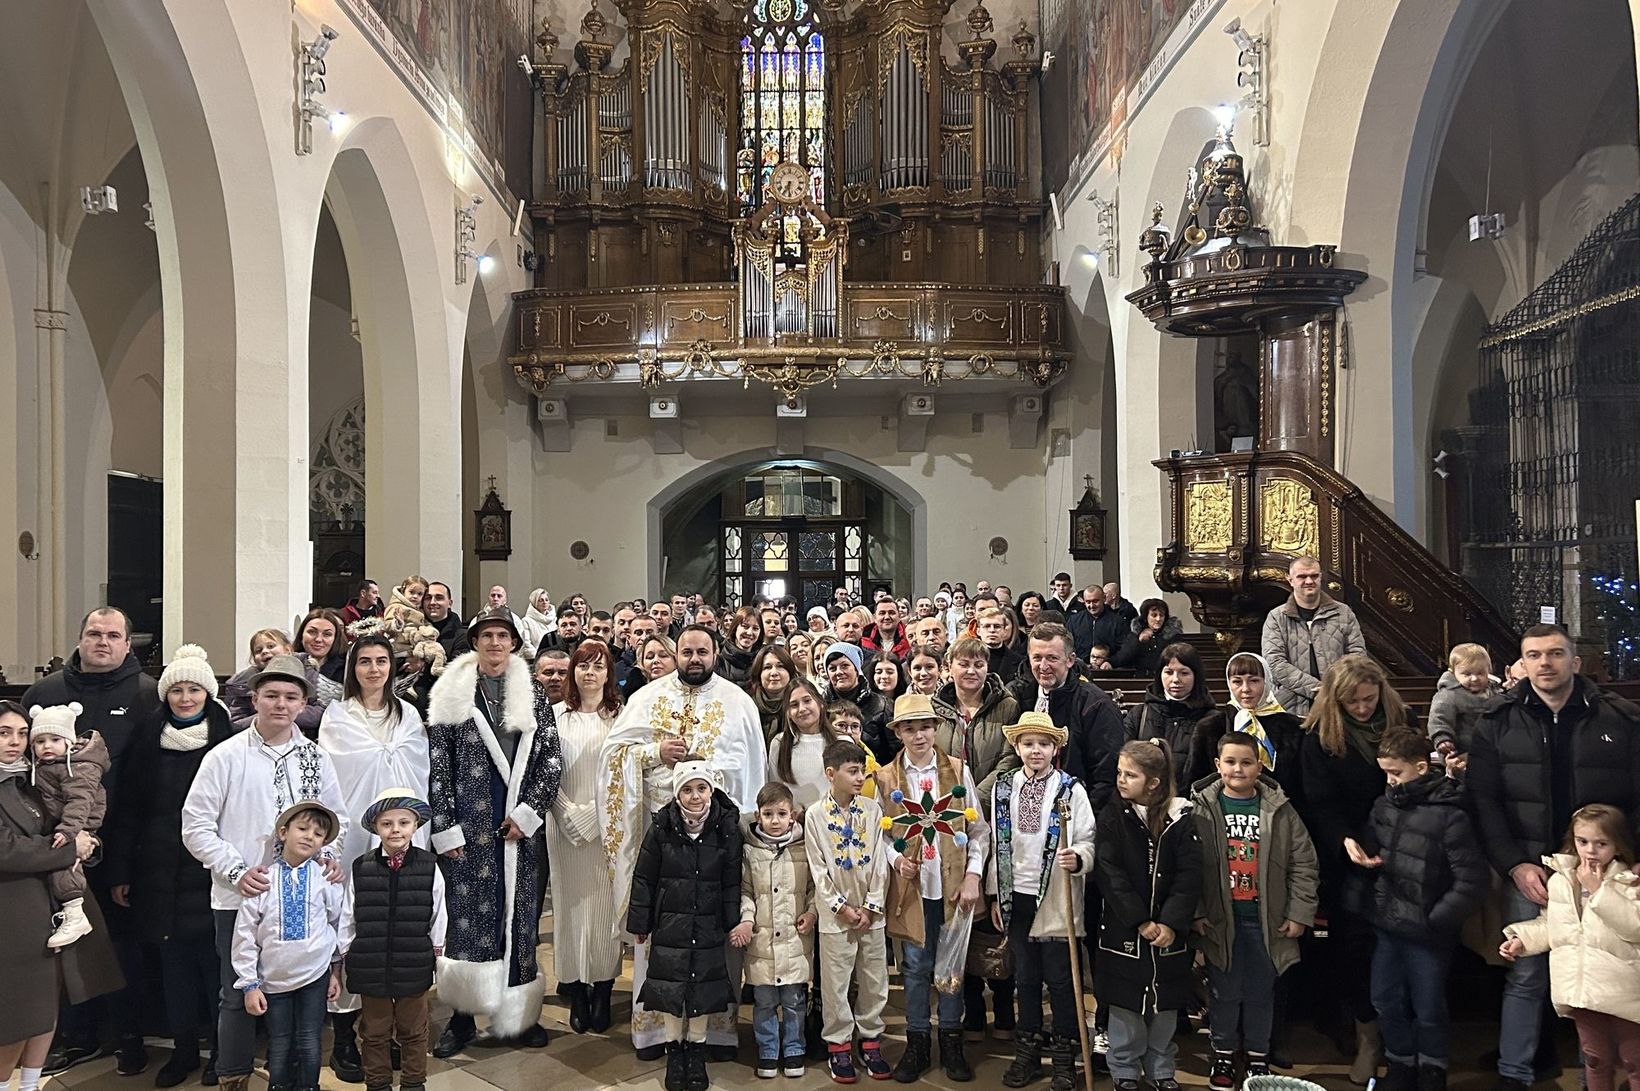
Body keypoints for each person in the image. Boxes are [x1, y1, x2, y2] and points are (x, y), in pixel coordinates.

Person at [1467, 624, 1640, 1091]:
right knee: (1525, 975)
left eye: (1556, 653)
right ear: (1522, 664)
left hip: (1603, 869)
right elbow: (1483, 800)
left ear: (1574, 661)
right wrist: (1513, 864)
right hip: (1531, 867)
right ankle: (1515, 1074)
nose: (1545, 663)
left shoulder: (1620, 718)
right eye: (1534, 655)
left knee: (1604, 975)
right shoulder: (1497, 720)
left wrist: (1634, 857)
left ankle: (1594, 1079)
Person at [181, 653, 350, 1091]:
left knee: (303, 991)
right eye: (271, 695)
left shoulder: (316, 758)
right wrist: (236, 870)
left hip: (304, 896)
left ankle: (296, 1077)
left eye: (291, 697)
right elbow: (195, 824)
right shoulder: (225, 756)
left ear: (303, 704)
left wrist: (329, 853)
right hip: (242, 894)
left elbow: (338, 818)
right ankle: (233, 1074)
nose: (281, 704)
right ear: (254, 699)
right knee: (237, 992)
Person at [604, 626, 768, 1061]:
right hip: (663, 842)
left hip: (717, 842)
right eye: (687, 651)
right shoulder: (646, 698)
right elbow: (613, 756)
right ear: (676, 653)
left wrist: (711, 774)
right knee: (665, 934)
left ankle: (712, 1035)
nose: (695, 658)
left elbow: (753, 770)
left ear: (715, 654)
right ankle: (658, 1032)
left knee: (716, 934)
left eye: (703, 651)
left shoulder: (739, 703)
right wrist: (654, 753)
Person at [23, 606, 161, 1075]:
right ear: (80, 638)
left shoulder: (147, 696)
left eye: (113, 635)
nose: (103, 642)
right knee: (61, 943)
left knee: (120, 946)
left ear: (127, 643)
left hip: (119, 845)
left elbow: (147, 782)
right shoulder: (44, 693)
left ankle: (127, 1035)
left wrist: (124, 856)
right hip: (54, 849)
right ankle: (76, 1036)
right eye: (94, 633)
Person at [426, 607, 563, 1056]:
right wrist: (446, 828)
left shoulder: (534, 693)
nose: (495, 643)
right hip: (469, 831)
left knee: (521, 922)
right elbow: (439, 767)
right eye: (487, 635)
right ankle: (463, 1018)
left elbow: (551, 760)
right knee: (469, 922)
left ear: (514, 643)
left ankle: (519, 1017)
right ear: (475, 642)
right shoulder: (451, 691)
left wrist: (528, 813)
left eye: (503, 635)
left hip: (519, 833)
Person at [103, 644, 240, 1088]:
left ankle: (220, 1051)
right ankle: (182, 1052)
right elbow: (128, 810)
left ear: (207, 693)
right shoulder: (148, 737)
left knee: (216, 968)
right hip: (157, 870)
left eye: (194, 690)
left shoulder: (226, 739)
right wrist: (121, 871)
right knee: (174, 968)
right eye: (177, 690)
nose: (185, 698)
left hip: (212, 869)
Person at [318, 633, 431, 1081]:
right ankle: (346, 1035)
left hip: (400, 836)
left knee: (397, 931)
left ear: (391, 666)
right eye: (364, 661)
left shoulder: (408, 715)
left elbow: (419, 771)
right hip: (353, 838)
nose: (373, 669)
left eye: (381, 661)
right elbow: (331, 780)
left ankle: (394, 1033)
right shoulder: (337, 716)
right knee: (357, 929)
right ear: (353, 668)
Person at [1351, 728, 1486, 1091]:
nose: (1390, 781)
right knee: (1384, 999)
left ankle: (1432, 1066)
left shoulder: (1450, 814)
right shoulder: (1383, 806)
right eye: (1385, 773)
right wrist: (1365, 860)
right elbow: (1374, 848)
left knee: (1428, 1006)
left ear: (1422, 767)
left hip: (1428, 931)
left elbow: (1471, 881)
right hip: (1388, 923)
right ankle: (1400, 1060)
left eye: (1396, 773)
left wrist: (1434, 919)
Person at [1299, 654, 1411, 1085]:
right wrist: (1345, 840)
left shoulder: (1402, 722)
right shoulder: (1319, 738)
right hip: (1348, 856)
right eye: (1353, 702)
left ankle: (1404, 1040)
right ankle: (1367, 1035)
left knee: (1404, 947)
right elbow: (1320, 802)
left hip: (1404, 850)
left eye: (1369, 699)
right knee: (1354, 949)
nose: (1363, 708)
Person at [1190, 731, 1318, 1091]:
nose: (1238, 769)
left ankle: (1259, 1056)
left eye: (1247, 762)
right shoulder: (1200, 809)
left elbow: (1304, 864)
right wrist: (1196, 910)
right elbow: (1187, 866)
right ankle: (1223, 1053)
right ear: (1217, 765)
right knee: (1224, 992)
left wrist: (1298, 913)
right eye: (1230, 762)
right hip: (1220, 921)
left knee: (1262, 993)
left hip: (1267, 922)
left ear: (1259, 767)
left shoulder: (1281, 810)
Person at [0, 700, 116, 1091]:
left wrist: (87, 843)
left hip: (50, 904)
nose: (15, 742)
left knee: (47, 1005)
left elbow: (74, 820)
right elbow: (6, 849)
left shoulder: (32, 776)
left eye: (21, 734)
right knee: (17, 1015)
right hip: (12, 910)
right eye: (4, 733)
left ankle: (30, 1085)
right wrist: (69, 850)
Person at [877, 693, 990, 1083]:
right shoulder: (886, 778)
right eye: (909, 728)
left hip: (952, 885)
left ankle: (952, 1041)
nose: (919, 735)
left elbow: (977, 830)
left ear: (936, 728)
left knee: (951, 968)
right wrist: (897, 860)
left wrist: (973, 875)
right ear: (899, 733)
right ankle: (918, 1041)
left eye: (925, 727)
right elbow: (882, 834)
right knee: (915, 966)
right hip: (913, 888)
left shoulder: (957, 771)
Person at [989, 712, 1095, 1091]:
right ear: (1017, 747)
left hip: (1056, 897)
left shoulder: (1070, 790)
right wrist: (995, 894)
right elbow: (998, 843)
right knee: (1026, 978)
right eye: (1029, 743)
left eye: (1044, 744)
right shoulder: (1003, 788)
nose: (1036, 750)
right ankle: (1028, 1053)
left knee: (1062, 980)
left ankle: (1064, 1056)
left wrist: (1078, 857)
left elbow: (1087, 837)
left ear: (1055, 748)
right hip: (1016, 894)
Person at [1501, 804, 1640, 1091]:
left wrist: (1599, 890)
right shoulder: (1561, 880)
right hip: (1581, 990)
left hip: (1625, 992)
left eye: (1601, 843)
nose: (1590, 851)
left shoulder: (1628, 881)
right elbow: (1552, 925)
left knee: (1634, 1062)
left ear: (1618, 844)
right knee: (1595, 1060)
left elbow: (1634, 927)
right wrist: (1521, 940)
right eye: (1583, 841)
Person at [627, 763, 744, 1091]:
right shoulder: (662, 827)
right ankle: (674, 1051)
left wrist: (730, 920)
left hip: (708, 923)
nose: (695, 796)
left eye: (701, 788)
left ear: (711, 790)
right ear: (677, 793)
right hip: (671, 923)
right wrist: (640, 921)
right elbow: (644, 877)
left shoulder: (725, 827)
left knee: (703, 989)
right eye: (688, 789)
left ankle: (696, 1051)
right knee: (672, 988)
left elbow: (732, 880)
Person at [1095, 739, 1201, 1091]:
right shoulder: (1113, 816)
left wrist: (1170, 922)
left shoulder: (1181, 819)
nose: (1121, 780)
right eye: (1119, 773)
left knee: (1164, 1003)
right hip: (1125, 929)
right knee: (1126, 1003)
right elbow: (1110, 873)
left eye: (1130, 775)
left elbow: (1189, 876)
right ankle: (1124, 1068)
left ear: (1153, 783)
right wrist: (1139, 920)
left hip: (1169, 933)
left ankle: (1160, 1066)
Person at [231, 802, 351, 1091]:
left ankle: (309, 1086)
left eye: (318, 834)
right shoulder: (263, 879)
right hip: (273, 980)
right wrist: (249, 984)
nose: (309, 836)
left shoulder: (325, 879)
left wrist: (335, 971)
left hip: (315, 976)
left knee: (310, 1040)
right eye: (303, 828)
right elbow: (245, 935)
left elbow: (337, 924)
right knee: (280, 1041)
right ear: (284, 833)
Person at [344, 790, 446, 1091]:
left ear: (415, 826)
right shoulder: (361, 868)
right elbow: (348, 915)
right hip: (371, 962)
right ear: (376, 827)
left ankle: (414, 1083)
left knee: (413, 1029)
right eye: (387, 824)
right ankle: (377, 1083)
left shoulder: (429, 865)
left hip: (413, 960)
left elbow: (439, 913)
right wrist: (346, 953)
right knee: (374, 1031)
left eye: (404, 822)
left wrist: (436, 955)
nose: (396, 830)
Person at [547, 639, 625, 1035]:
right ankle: (576, 990)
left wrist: (596, 816)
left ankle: (603, 990)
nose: (589, 673)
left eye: (598, 666)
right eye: (583, 665)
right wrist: (566, 813)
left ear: (609, 673)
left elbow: (626, 775)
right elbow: (543, 772)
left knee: (606, 911)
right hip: (561, 827)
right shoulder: (554, 717)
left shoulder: (621, 718)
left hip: (609, 828)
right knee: (570, 909)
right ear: (572, 672)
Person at [804, 739, 892, 1083]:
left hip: (871, 914)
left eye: (863, 772)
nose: (859, 778)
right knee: (835, 982)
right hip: (835, 916)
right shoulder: (814, 815)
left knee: (874, 979)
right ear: (831, 773)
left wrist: (871, 905)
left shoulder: (872, 811)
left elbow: (880, 862)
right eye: (852, 771)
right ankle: (838, 1044)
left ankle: (870, 1039)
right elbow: (818, 868)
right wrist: (840, 907)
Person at [735, 782, 818, 1080]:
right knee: (765, 1001)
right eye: (768, 814)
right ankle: (768, 1049)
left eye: (781, 814)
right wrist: (747, 919)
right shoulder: (750, 851)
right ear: (757, 816)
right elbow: (745, 891)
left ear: (792, 815)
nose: (775, 820)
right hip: (763, 943)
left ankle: (794, 1047)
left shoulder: (804, 848)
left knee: (795, 1001)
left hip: (795, 942)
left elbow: (814, 888)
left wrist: (811, 913)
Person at [1010, 623, 1124, 811]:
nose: (1043, 666)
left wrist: (1083, 817)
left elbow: (1106, 775)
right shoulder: (1018, 696)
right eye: (1037, 658)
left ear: (1070, 660)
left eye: (1052, 658)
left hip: (1076, 812)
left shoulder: (1096, 705)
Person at [26, 701, 109, 948]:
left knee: (64, 861)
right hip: (64, 823)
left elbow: (80, 801)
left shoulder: (78, 768)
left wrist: (69, 830)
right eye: (40, 741)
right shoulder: (49, 766)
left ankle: (75, 913)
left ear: (69, 742)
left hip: (77, 824)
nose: (46, 746)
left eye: (54, 740)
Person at [1184, 652, 1307, 806]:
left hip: (1282, 811)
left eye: (1254, 681)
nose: (1246, 689)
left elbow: (1303, 784)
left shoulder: (1293, 727)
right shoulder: (1210, 728)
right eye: (1237, 681)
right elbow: (1195, 782)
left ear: (1267, 681)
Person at [1261, 556, 1367, 716]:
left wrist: (1334, 688)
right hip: (1291, 707)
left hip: (1339, 701)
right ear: (1290, 580)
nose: (1309, 581)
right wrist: (1316, 689)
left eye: (1314, 576)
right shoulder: (1276, 617)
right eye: (1302, 576)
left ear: (1321, 577)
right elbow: (1274, 663)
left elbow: (1358, 656)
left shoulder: (1343, 613)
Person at [1123, 642, 1217, 789]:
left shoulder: (1212, 719)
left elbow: (1215, 773)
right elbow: (1125, 761)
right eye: (1168, 672)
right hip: (1145, 797)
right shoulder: (1139, 715)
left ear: (1196, 675)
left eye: (1184, 673)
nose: (1175, 679)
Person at [1427, 643, 1505, 775]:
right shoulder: (1449, 695)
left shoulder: (1495, 692)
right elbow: (1439, 719)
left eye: (1480, 673)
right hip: (1462, 753)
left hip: (1494, 750)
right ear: (1453, 673)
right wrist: (1443, 739)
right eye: (1467, 674)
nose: (1474, 678)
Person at [769, 677, 839, 812]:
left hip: (833, 818)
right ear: (788, 713)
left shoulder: (841, 741)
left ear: (820, 703)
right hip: (793, 819)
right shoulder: (779, 743)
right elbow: (775, 790)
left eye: (807, 701)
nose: (802, 709)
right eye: (794, 705)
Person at [823, 644, 894, 764]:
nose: (839, 672)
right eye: (832, 668)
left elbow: (894, 751)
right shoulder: (821, 706)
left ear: (856, 669)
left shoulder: (883, 705)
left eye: (845, 666)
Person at [296, 609, 349, 714]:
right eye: (312, 632)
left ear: (335, 638)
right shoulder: (288, 663)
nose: (318, 639)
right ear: (301, 634)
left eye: (327, 634)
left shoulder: (348, 668)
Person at [1118, 599, 1184, 676]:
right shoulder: (1136, 633)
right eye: (1154, 615)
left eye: (1161, 615)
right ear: (1146, 617)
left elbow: (1177, 657)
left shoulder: (1173, 635)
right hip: (1141, 676)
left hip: (1164, 676)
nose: (1158, 619)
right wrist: (1138, 641)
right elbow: (1124, 656)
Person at [380, 576, 439, 659]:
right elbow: (386, 625)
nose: (415, 596)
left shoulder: (420, 610)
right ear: (403, 590)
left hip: (416, 644)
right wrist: (398, 623)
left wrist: (430, 631)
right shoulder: (396, 606)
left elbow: (424, 623)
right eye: (411, 592)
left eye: (419, 594)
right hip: (400, 648)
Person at [748, 646, 797, 741]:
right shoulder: (748, 706)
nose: (774, 673)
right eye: (767, 667)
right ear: (759, 674)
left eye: (780, 666)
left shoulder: (800, 704)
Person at [421, 582, 470, 660]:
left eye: (439, 598)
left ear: (450, 603)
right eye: (428, 598)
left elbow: (458, 666)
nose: (432, 602)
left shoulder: (462, 636)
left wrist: (422, 666)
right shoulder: (415, 629)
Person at [976, 607, 1024, 682]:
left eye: (997, 626)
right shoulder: (968, 658)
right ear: (978, 631)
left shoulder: (1020, 661)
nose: (992, 630)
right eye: (987, 626)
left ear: (1004, 631)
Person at [719, 608, 764, 685]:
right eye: (745, 626)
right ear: (735, 627)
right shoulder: (718, 662)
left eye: (755, 628)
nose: (749, 632)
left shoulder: (762, 661)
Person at [519, 589, 558, 656]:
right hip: (536, 657)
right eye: (541, 600)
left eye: (546, 600)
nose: (544, 602)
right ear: (534, 603)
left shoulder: (555, 619)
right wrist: (539, 657)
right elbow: (526, 644)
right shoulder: (526, 621)